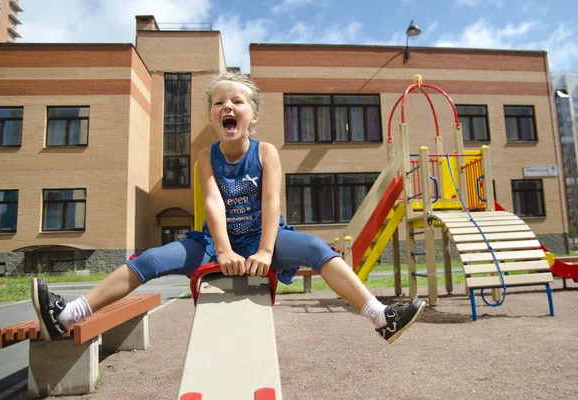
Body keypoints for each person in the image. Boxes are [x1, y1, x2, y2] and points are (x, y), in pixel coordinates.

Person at [31, 71, 425, 344]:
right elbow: (213, 203)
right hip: (212, 242)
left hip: (264, 237)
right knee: (150, 259)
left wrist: (266, 252)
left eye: (237, 101)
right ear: (212, 117)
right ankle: (68, 314)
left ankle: (379, 316)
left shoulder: (266, 152)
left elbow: (271, 202)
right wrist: (222, 250)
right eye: (219, 102)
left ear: (252, 116)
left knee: (317, 250)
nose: (227, 106)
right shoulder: (206, 157)